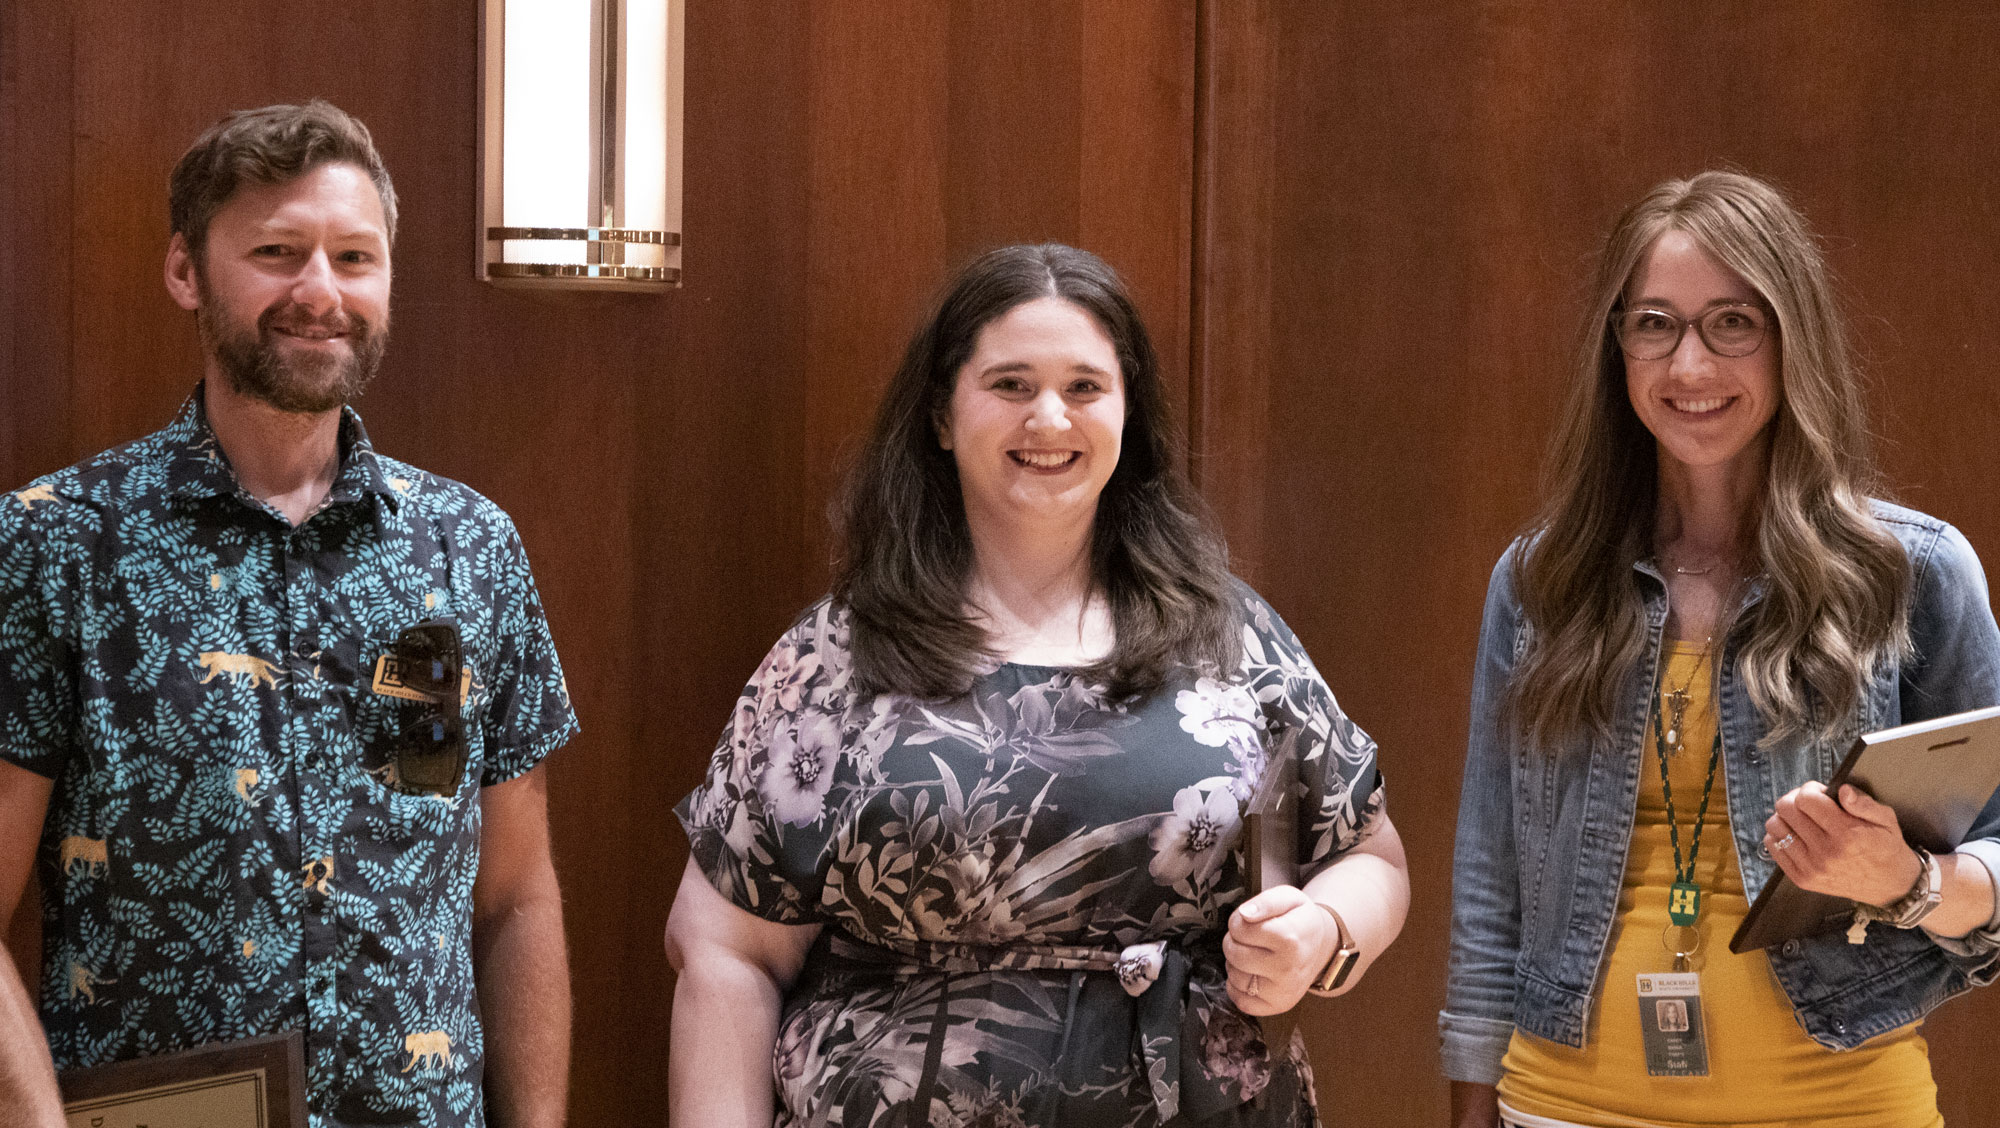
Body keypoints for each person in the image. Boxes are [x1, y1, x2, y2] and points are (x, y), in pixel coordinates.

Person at [664, 243, 1410, 1127]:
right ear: (943, 414)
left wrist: (1320, 935)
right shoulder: (837, 656)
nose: (1049, 419)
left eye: (1085, 388)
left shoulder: (1227, 633)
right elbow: (723, 951)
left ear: (1128, 413)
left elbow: (1370, 856)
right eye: (1011, 385)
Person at [0, 101, 578, 1127]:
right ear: (186, 271)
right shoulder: (55, 545)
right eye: (277, 251)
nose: (320, 291)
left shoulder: (469, 547)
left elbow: (516, 898)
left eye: (354, 257)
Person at [1441, 171, 2000, 1128]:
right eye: (1654, 324)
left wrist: (1910, 884)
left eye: (1732, 323)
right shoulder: (1543, 580)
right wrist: (1468, 1106)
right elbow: (1491, 883)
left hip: (1840, 1108)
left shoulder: (1912, 573)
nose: (1689, 368)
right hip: (1563, 1106)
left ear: (1794, 341)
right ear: (1617, 349)